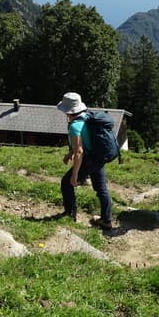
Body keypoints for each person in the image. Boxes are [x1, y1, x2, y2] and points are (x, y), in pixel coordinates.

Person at [58, 92, 113, 230]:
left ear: (67, 111)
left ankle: (70, 214)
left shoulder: (74, 126)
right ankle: (106, 220)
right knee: (101, 189)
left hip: (88, 159)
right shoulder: (88, 117)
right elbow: (84, 141)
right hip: (99, 157)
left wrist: (75, 174)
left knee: (66, 183)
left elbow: (80, 151)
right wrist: (70, 153)